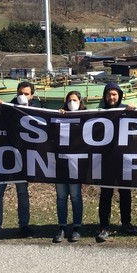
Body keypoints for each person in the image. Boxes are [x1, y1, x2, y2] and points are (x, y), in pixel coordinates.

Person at [0, 81, 39, 248]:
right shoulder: (5, 108)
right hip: (1, 158)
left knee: (23, 193)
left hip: (22, 159)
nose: (23, 96)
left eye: (26, 93)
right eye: (21, 92)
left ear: (32, 95)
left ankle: (24, 226)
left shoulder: (37, 111)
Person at [96, 82, 137, 242]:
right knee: (106, 194)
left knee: (125, 193)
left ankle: (126, 223)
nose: (111, 97)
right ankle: (104, 226)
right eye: (108, 94)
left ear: (119, 95)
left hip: (124, 159)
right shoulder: (99, 112)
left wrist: (134, 111)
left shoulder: (126, 110)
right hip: (106, 159)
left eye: (114, 94)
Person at [53, 91, 86, 243]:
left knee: (75, 196)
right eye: (69, 100)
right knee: (61, 197)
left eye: (74, 100)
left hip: (76, 165)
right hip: (60, 164)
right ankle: (62, 226)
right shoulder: (61, 115)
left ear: (80, 101)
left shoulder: (87, 117)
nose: (71, 103)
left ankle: (77, 227)